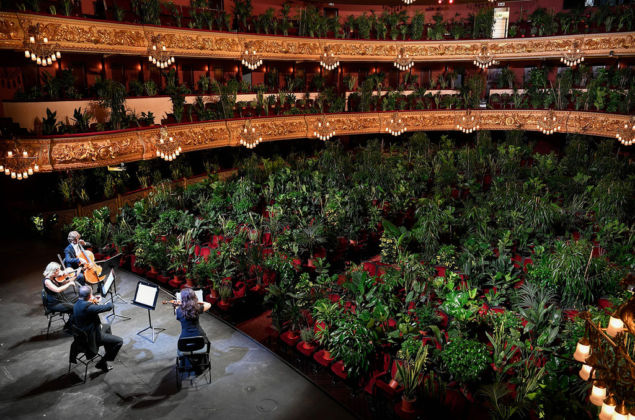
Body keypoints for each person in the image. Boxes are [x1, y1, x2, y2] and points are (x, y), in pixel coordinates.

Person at [72, 285, 123, 372]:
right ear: (88, 296)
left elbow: (88, 306)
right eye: (91, 294)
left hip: (82, 335)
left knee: (106, 326)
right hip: (92, 338)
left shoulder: (76, 303)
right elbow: (108, 307)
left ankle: (108, 352)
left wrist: (93, 300)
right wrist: (108, 302)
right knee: (119, 341)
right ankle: (102, 362)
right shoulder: (89, 308)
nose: (92, 295)